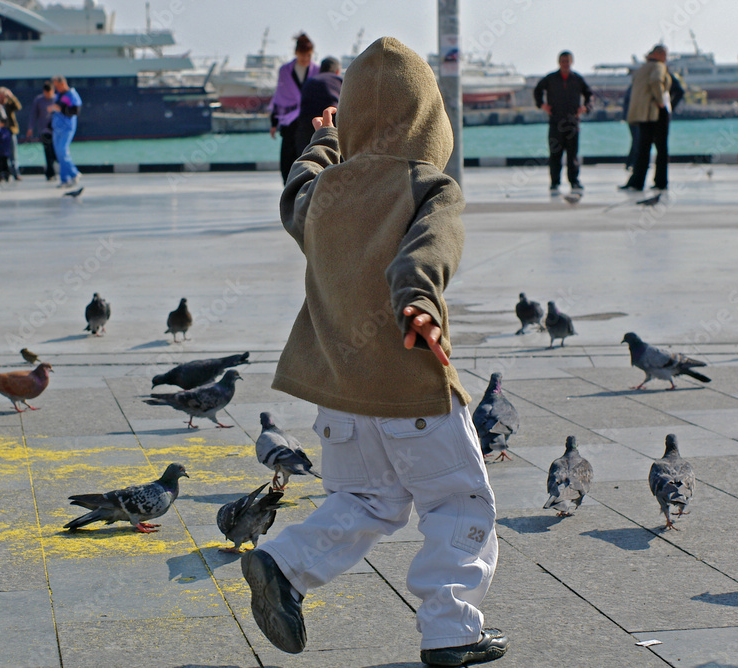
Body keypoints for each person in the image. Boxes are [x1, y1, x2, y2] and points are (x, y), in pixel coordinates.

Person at [242, 37, 508, 668]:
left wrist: (324, 142)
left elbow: (296, 192)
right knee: (458, 502)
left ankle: (283, 564)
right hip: (410, 387)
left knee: (366, 500)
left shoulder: (324, 194)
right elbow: (428, 250)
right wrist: (417, 300)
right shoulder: (429, 186)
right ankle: (451, 632)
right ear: (430, 121)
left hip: (340, 395)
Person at [534, 51, 591, 194]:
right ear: (559, 62)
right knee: (555, 154)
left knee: (573, 155)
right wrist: (542, 105)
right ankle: (554, 182)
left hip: (572, 123)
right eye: (563, 61)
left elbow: (589, 94)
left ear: (572, 62)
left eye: (567, 61)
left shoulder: (577, 79)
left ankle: (574, 181)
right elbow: (537, 90)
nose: (565, 64)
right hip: (555, 122)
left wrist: (586, 107)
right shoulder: (551, 78)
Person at [268, 33, 319, 183]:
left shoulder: (317, 70)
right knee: (287, 160)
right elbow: (279, 96)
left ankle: (306, 191)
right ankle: (288, 191)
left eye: (309, 55)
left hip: (309, 120)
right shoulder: (285, 71)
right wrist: (274, 123)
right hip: (289, 122)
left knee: (308, 156)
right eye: (303, 55)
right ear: (296, 53)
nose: (305, 59)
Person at [623, 45, 672, 192]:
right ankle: (661, 181)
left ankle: (637, 181)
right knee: (661, 148)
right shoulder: (658, 66)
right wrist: (660, 101)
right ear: (659, 54)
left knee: (643, 149)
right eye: (664, 55)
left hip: (643, 115)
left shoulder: (641, 69)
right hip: (656, 112)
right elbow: (656, 80)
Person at [623, 69, 683, 172]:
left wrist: (664, 105)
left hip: (647, 115)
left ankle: (636, 168)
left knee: (643, 144)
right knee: (643, 144)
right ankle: (634, 166)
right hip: (643, 115)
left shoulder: (658, 74)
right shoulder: (646, 77)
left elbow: (677, 91)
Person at [293, 56, 342, 157]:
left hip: (307, 123)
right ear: (337, 71)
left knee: (306, 155)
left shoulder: (310, 81)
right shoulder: (340, 80)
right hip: (332, 120)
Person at [48, 75, 82, 187]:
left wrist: (60, 109)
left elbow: (75, 111)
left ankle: (74, 173)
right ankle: (64, 179)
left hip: (67, 128)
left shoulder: (72, 94)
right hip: (57, 128)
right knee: (59, 154)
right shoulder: (59, 94)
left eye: (57, 86)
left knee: (63, 151)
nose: (56, 88)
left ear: (63, 83)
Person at [27, 82, 58, 181]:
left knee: (55, 153)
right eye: (46, 93)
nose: (48, 95)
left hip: (56, 131)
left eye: (50, 93)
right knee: (48, 152)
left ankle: (53, 171)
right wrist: (30, 128)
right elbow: (33, 114)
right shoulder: (39, 100)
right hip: (44, 131)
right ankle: (50, 173)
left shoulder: (57, 99)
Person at [0, 87, 22, 180]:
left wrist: (11, 96)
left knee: (13, 154)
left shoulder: (9, 104)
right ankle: (5, 174)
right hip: (1, 132)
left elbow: (18, 107)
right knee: (3, 154)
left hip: (10, 131)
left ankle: (16, 173)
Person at [0, 117, 14, 182]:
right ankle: (5, 176)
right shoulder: (5, 131)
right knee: (4, 164)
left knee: (1, 165)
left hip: (1, 151)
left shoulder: (2, 131)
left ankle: (2, 176)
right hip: (3, 151)